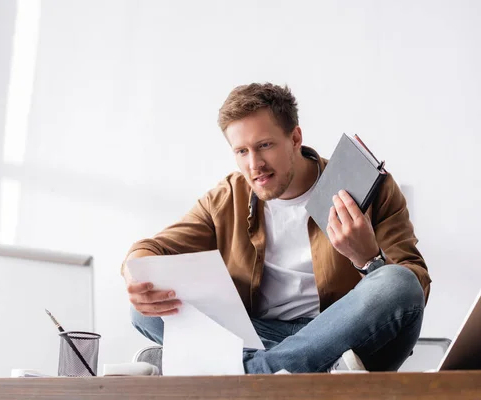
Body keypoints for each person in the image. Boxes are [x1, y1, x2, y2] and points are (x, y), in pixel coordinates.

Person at [121, 83, 431, 373]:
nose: (254, 165)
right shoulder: (227, 198)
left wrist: (368, 260)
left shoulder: (370, 187)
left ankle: (238, 371)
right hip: (261, 333)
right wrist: (135, 272)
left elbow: (413, 288)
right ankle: (302, 370)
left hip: (343, 332)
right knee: (146, 306)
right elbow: (153, 250)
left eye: (265, 145)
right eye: (241, 151)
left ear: (295, 138)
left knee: (396, 283)